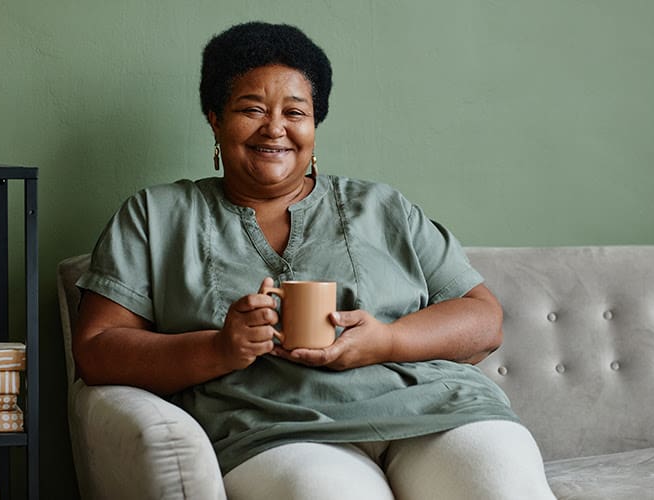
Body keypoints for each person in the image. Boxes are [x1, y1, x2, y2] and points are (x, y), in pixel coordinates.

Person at [74, 21, 555, 500]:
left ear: (314, 125)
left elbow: (483, 319)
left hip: (439, 412)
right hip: (275, 431)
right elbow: (96, 349)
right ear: (215, 118)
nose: (275, 127)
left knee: (502, 486)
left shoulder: (383, 207)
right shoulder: (155, 216)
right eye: (251, 109)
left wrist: (386, 341)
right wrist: (220, 348)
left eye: (295, 112)